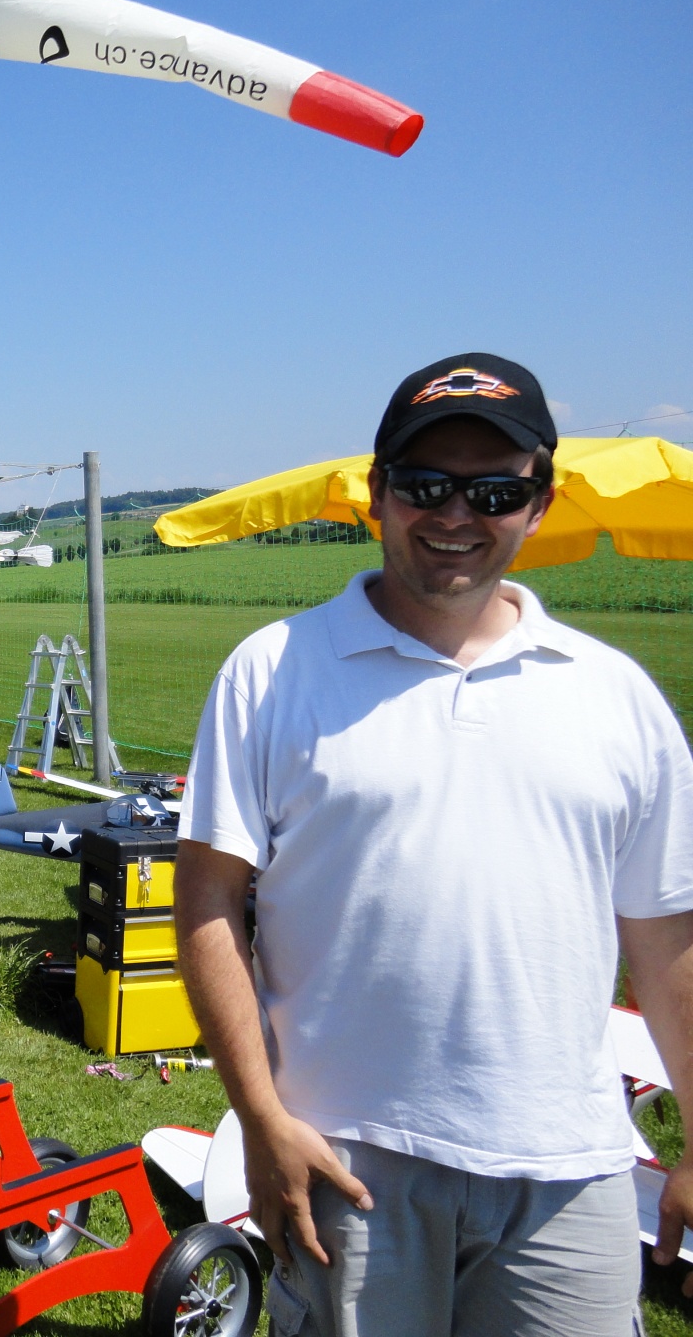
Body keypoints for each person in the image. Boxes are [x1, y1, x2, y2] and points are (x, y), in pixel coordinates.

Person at [174, 353, 693, 1335]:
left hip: (571, 1167)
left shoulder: (615, 694)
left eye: (495, 491)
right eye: (425, 484)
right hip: (343, 1157)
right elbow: (205, 902)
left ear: (538, 506)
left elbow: (667, 938)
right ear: (377, 494)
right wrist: (261, 1119)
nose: (457, 513)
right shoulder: (273, 671)